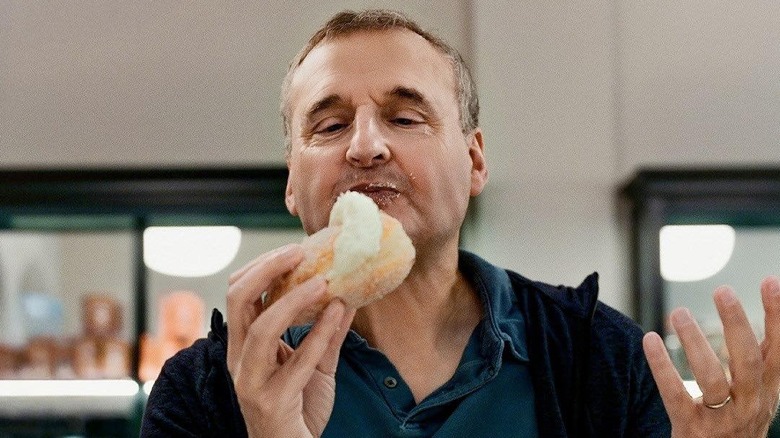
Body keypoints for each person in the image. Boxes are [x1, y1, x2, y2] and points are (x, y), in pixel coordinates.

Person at [141, 9, 780, 437]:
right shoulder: (203, 393)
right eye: (329, 126)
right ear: (290, 181)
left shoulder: (604, 360)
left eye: (406, 117)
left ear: (474, 161)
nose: (365, 147)